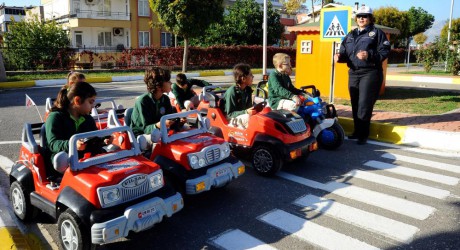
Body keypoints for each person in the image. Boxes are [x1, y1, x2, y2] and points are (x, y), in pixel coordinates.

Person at [334, 5, 391, 145]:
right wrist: (339, 57)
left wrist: (369, 55)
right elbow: (344, 52)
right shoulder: (351, 34)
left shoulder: (377, 33)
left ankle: (363, 134)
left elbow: (385, 51)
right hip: (353, 72)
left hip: (370, 73)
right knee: (355, 103)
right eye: (359, 16)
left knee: (364, 104)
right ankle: (357, 131)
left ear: (370, 18)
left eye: (365, 16)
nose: (361, 19)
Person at [45, 81, 99, 163]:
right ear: (77, 100)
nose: (93, 105)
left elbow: (94, 137)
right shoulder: (55, 117)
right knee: (61, 160)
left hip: (84, 158)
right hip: (64, 159)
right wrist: (73, 144)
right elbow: (53, 144)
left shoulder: (88, 118)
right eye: (90, 102)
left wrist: (104, 140)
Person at [130, 67, 176, 137]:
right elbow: (145, 129)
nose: (171, 83)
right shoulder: (143, 101)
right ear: (158, 86)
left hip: (159, 131)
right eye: (168, 81)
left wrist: (178, 121)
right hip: (141, 135)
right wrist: (158, 125)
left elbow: (169, 117)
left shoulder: (165, 99)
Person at [223, 63, 256, 129]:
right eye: (250, 75)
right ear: (243, 78)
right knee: (248, 117)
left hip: (242, 117)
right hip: (231, 120)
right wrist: (246, 112)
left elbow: (249, 108)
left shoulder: (247, 90)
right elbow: (229, 115)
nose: (253, 77)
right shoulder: (232, 91)